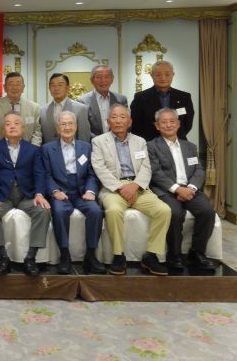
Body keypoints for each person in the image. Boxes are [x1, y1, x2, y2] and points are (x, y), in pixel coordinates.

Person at [91, 104, 171, 276]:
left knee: (163, 210)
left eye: (122, 117)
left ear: (129, 122)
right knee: (113, 211)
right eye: (114, 117)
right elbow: (100, 168)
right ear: (108, 122)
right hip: (113, 189)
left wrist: (134, 186)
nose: (118, 121)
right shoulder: (98, 141)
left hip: (138, 187)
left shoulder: (140, 142)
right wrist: (121, 188)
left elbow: (146, 167)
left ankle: (151, 255)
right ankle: (118, 255)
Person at [147, 108, 216, 271]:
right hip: (166, 190)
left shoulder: (190, 146)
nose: (168, 125)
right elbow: (155, 172)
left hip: (190, 189)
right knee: (175, 213)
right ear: (157, 126)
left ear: (178, 124)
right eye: (164, 122)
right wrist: (177, 189)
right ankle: (174, 255)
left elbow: (199, 169)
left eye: (172, 121)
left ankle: (197, 252)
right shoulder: (151, 146)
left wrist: (190, 188)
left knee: (207, 212)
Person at [0, 112, 51, 276]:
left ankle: (31, 258)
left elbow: (39, 173)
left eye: (16, 123)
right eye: (8, 124)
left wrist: (39, 194)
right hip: (3, 196)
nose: (12, 126)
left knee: (43, 211)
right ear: (3, 129)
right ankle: (2, 257)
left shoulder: (33, 150)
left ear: (23, 128)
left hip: (26, 196)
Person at [42, 111, 105, 274]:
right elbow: (46, 175)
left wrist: (90, 190)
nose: (67, 127)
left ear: (76, 126)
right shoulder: (47, 149)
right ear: (57, 128)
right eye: (63, 124)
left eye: (70, 123)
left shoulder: (86, 147)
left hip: (82, 191)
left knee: (96, 211)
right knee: (59, 211)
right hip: (60, 191)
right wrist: (55, 191)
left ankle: (91, 256)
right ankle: (65, 255)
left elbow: (92, 173)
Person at [130, 60, 194, 141]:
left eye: (167, 74)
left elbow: (188, 123)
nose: (163, 78)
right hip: (150, 143)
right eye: (158, 75)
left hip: (178, 142)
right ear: (152, 75)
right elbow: (135, 125)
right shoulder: (141, 97)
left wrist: (172, 137)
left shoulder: (184, 97)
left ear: (173, 75)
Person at [0, 72, 42, 146]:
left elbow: (37, 133)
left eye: (18, 84)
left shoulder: (34, 107)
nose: (14, 88)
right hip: (1, 150)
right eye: (11, 84)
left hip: (28, 150)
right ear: (5, 87)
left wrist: (32, 150)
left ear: (23, 88)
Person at [78, 65, 128, 138]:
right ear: (92, 80)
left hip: (117, 141)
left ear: (112, 79)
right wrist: (100, 141)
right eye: (99, 77)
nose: (103, 80)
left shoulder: (121, 99)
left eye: (106, 77)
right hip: (92, 142)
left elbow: (126, 123)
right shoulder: (82, 101)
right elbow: (83, 128)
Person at [39, 73, 91, 144]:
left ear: (67, 87)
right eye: (53, 85)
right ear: (49, 88)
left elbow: (84, 137)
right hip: (48, 150)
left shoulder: (81, 108)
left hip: (73, 150)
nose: (56, 88)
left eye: (60, 85)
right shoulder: (42, 110)